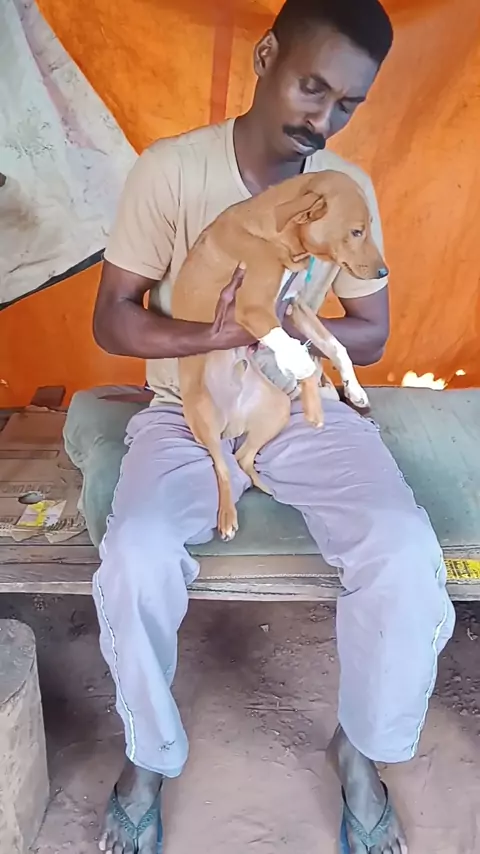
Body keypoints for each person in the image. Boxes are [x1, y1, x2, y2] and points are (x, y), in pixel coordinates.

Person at [92, 1, 455, 851]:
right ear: (265, 57)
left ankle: (359, 749)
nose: (322, 120)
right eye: (311, 87)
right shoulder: (171, 172)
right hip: (186, 408)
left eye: (347, 104)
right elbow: (113, 319)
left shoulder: (344, 190)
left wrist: (289, 329)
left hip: (295, 409)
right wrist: (217, 335)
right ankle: (150, 754)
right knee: (136, 557)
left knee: (405, 555)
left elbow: (371, 331)